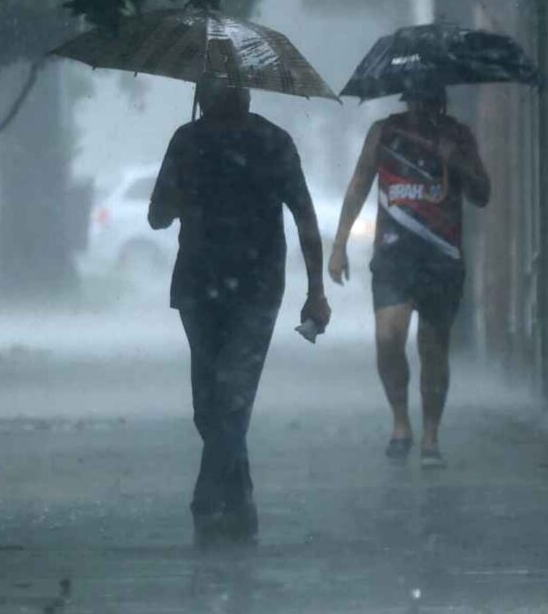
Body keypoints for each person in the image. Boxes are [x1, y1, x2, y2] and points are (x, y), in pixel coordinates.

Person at [148, 78, 331, 547]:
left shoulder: (269, 143)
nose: (231, 94)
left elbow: (304, 215)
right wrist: (188, 189)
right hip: (202, 288)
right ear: (207, 95)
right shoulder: (188, 143)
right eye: (221, 86)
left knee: (229, 394)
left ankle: (208, 499)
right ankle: (241, 494)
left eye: (235, 86)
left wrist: (316, 290)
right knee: (210, 405)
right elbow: (157, 214)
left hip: (252, 289)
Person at [329, 87, 490, 469]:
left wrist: (459, 163)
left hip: (442, 257)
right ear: (407, 97)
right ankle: (401, 422)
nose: (424, 105)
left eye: (430, 97)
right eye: (417, 97)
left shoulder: (458, 135)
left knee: (433, 349)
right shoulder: (384, 133)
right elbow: (358, 186)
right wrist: (339, 245)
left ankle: (431, 435)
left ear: (441, 98)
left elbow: (483, 194)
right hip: (393, 256)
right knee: (388, 338)